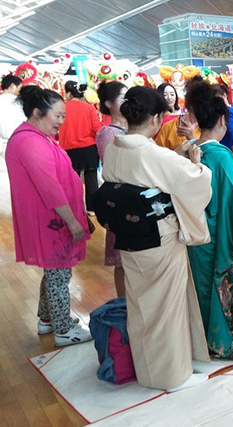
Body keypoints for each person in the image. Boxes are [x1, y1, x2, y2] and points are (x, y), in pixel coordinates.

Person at [100, 86, 212, 391]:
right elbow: (196, 181)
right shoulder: (154, 153)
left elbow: (148, 171)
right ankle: (171, 376)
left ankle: (148, 368)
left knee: (141, 306)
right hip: (158, 238)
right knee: (167, 308)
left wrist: (173, 158)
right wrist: (196, 161)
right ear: (157, 119)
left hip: (128, 237)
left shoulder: (115, 147)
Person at [6, 85, 92, 347]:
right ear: (36, 113)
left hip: (51, 217)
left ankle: (47, 319)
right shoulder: (29, 140)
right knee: (58, 274)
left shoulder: (36, 136)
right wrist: (72, 220)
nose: (61, 121)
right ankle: (63, 329)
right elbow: (49, 187)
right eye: (57, 115)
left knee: (55, 272)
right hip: (51, 220)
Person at [184, 81, 233, 360]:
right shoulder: (222, 157)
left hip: (193, 234)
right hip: (220, 234)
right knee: (222, 288)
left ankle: (201, 339)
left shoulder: (187, 151)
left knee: (201, 288)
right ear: (222, 120)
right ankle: (224, 344)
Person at [95, 80, 128, 297]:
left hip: (131, 197)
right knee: (122, 262)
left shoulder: (130, 128)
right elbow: (113, 169)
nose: (127, 101)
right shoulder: (108, 132)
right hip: (121, 199)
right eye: (122, 97)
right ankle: (124, 305)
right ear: (108, 103)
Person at [58, 81, 102, 214]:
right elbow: (97, 129)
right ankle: (92, 208)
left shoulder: (61, 108)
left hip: (68, 149)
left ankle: (74, 208)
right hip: (89, 148)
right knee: (91, 178)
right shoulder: (89, 108)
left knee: (72, 181)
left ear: (69, 93)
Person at [0, 75, 26, 156]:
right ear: (12, 86)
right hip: (17, 143)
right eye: (20, 87)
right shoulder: (19, 103)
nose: (20, 91)